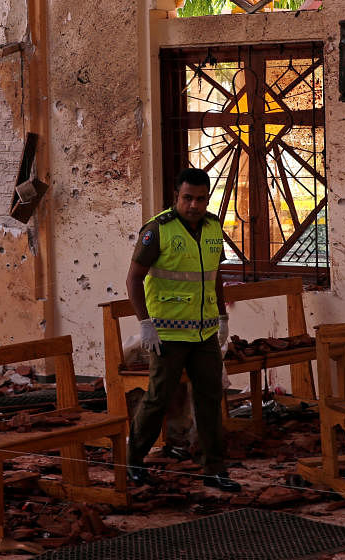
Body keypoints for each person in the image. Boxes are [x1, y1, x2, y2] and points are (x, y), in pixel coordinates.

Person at [125, 167, 241, 492]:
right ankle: (133, 461)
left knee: (209, 399)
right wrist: (145, 324)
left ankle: (213, 468)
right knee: (158, 397)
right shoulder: (158, 230)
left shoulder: (214, 227)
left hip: (203, 334)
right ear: (176, 195)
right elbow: (133, 279)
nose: (194, 205)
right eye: (187, 198)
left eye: (201, 199)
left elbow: (214, 275)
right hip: (167, 335)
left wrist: (222, 318)